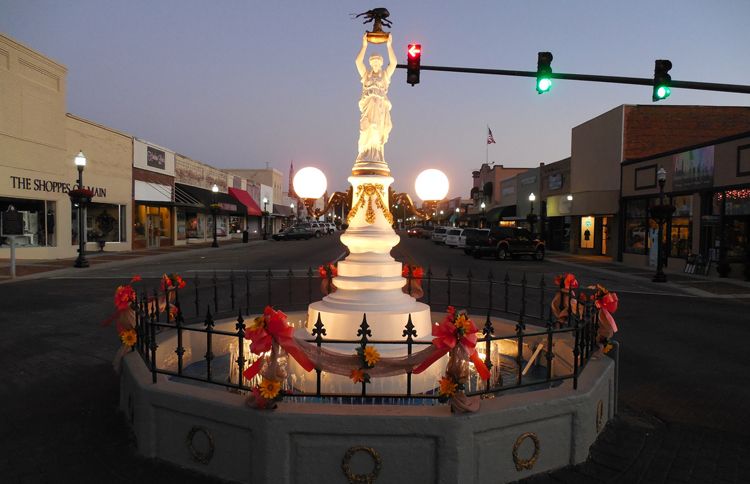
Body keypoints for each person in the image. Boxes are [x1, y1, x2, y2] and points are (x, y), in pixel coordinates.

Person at [355, 33, 396, 163]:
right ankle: (363, 153)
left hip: (379, 107)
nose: (376, 64)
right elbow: (358, 62)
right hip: (368, 106)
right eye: (374, 62)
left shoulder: (384, 75)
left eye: (378, 62)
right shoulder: (366, 74)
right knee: (365, 129)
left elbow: (394, 63)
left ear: (381, 63)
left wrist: (389, 46)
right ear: (371, 64)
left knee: (377, 131)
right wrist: (364, 46)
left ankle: (377, 155)